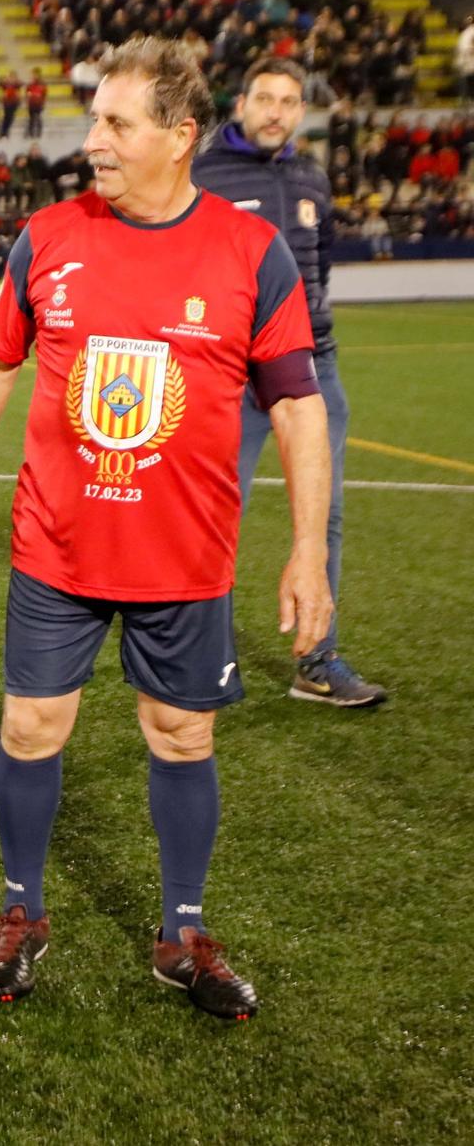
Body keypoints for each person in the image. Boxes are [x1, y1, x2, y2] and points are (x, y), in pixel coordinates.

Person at [0, 36, 332, 1022]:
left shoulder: (249, 252)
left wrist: (308, 548)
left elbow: (296, 405)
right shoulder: (48, 235)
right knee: (29, 726)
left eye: (114, 123)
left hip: (184, 557)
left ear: (177, 135)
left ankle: (179, 929)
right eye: (92, 120)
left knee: (180, 734)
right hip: (55, 551)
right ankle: (20, 910)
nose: (90, 141)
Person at [192, 57, 384, 707]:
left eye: (290, 101)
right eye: (265, 98)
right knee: (219, 514)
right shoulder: (201, 169)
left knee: (323, 517)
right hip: (230, 370)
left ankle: (318, 659)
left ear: (302, 111)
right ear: (240, 101)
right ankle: (204, 654)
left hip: (312, 365)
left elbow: (320, 260)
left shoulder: (310, 174)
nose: (277, 111)